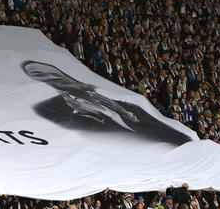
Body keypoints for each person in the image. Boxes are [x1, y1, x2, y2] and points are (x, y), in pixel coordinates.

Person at [21, 60, 192, 145]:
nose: (48, 76)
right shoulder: (50, 107)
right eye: (39, 75)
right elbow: (67, 134)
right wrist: (82, 111)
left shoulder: (117, 98)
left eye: (46, 71)